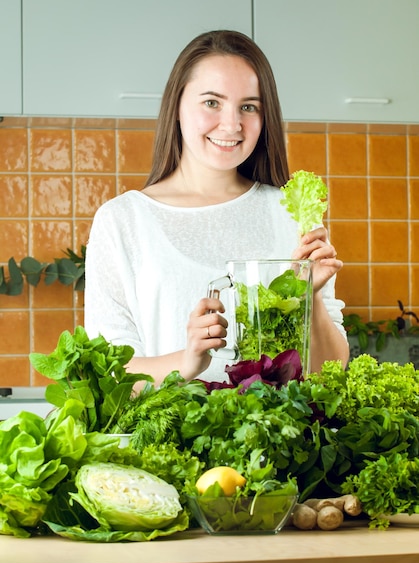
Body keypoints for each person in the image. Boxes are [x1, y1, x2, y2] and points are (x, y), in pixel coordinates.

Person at [84, 30, 349, 386]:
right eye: (212, 102)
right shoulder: (122, 220)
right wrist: (187, 359)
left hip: (279, 440)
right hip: (168, 439)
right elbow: (108, 373)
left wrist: (308, 298)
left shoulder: (293, 214)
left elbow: (330, 371)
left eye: (249, 107)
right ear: (176, 106)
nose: (231, 124)